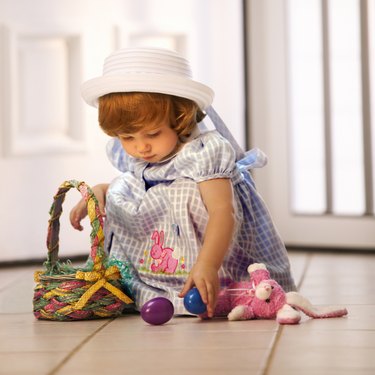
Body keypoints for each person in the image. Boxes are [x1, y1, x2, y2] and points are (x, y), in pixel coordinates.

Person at [70, 47, 296, 317]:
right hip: (160, 246)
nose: (141, 147)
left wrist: (208, 265)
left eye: (153, 133)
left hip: (210, 254)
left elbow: (224, 211)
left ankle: (206, 282)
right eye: (127, 137)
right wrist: (100, 192)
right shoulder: (140, 153)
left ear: (180, 118)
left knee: (187, 191)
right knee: (121, 185)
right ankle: (140, 284)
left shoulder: (202, 152)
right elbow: (139, 186)